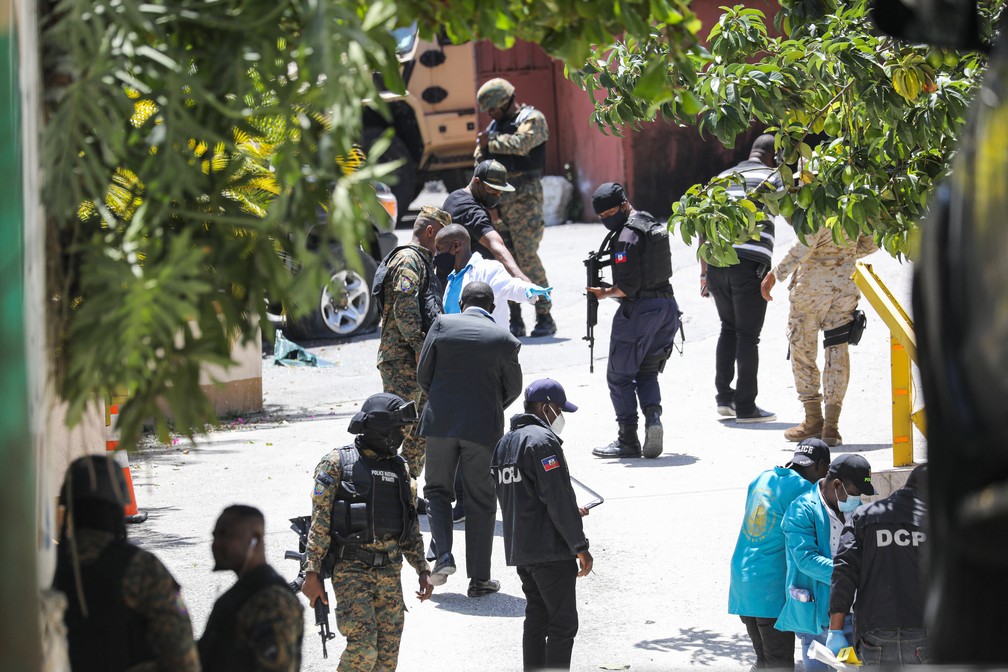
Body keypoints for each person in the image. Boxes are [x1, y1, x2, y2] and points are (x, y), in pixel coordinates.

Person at [300, 393, 435, 672]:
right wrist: (311, 571)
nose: (403, 435)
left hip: (390, 570)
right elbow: (320, 522)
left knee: (386, 659)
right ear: (382, 429)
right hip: (352, 567)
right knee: (363, 650)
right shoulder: (336, 463)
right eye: (399, 428)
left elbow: (409, 526)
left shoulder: (400, 469)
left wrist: (422, 567)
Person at [417, 281, 523, 596]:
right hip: (482, 429)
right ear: (491, 307)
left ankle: (444, 557)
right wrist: (488, 406)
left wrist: (444, 403)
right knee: (481, 500)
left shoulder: (441, 324)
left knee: (437, 491)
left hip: (440, 424)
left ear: (462, 303)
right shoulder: (505, 339)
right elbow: (513, 388)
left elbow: (424, 374)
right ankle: (479, 580)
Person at [52, 455, 200, 672]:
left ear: (70, 510)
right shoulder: (143, 568)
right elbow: (182, 657)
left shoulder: (40, 568)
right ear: (117, 510)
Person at [491, 378, 593, 671]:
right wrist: (580, 546)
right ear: (546, 407)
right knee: (562, 625)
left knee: (537, 618)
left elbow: (522, 496)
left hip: (522, 549)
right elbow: (557, 498)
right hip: (549, 550)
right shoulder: (542, 441)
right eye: (559, 409)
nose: (560, 417)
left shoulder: (503, 444)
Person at [586, 182, 681, 459]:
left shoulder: (626, 238)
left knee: (619, 375)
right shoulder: (650, 223)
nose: (606, 220)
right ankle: (653, 418)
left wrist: (603, 293)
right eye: (601, 217)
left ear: (624, 204)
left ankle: (627, 439)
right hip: (667, 307)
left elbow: (626, 288)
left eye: (610, 213)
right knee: (647, 372)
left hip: (640, 312)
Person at [761, 225, 878, 445]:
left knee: (802, 350)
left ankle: (813, 419)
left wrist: (776, 274)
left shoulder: (819, 195)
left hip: (812, 288)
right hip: (845, 285)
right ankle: (831, 427)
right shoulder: (858, 199)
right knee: (837, 350)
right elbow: (872, 242)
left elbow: (805, 243)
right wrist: (843, 252)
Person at [700, 134, 782, 423]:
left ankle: (724, 400)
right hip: (748, 265)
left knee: (728, 329)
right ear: (775, 155)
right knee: (748, 335)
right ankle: (746, 407)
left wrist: (703, 272)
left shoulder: (723, 177)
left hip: (715, 263)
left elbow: (702, 221)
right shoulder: (772, 176)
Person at [729, 439, 831, 671]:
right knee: (778, 664)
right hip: (770, 587)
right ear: (821, 466)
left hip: (743, 580)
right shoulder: (806, 491)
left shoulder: (762, 478)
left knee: (764, 662)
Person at [775, 454, 875, 672]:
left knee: (849, 668)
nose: (857, 499)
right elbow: (805, 559)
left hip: (851, 614)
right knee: (821, 667)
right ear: (837, 484)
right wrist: (849, 575)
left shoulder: (855, 512)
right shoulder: (801, 510)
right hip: (818, 617)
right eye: (855, 493)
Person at [372, 204, 451, 478]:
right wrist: (420, 347)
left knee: (422, 428)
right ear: (430, 231)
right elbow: (404, 309)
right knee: (397, 426)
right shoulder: (408, 260)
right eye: (442, 237)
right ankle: (382, 484)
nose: (443, 245)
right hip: (403, 359)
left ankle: (407, 486)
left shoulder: (421, 260)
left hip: (417, 357)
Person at [474, 77, 555, 338]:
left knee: (527, 257)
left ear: (507, 101)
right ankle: (515, 319)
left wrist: (491, 142)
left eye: (494, 109)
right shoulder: (495, 126)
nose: (491, 115)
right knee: (504, 261)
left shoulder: (533, 119)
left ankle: (544, 315)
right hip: (499, 201)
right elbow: (479, 156)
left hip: (525, 201)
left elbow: (521, 145)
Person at [827, 464, 930, 666]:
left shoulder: (862, 517)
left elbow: (844, 572)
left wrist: (835, 630)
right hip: (925, 635)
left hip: (874, 637)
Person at [199, 505, 303, 671]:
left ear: (255, 538)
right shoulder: (246, 591)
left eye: (226, 535)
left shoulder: (272, 602)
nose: (216, 545)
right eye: (215, 536)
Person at [435, 224, 552, 328]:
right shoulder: (452, 277)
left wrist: (527, 289)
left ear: (456, 246)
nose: (436, 255)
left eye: (439, 249)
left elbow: (507, 285)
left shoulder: (487, 269)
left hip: (485, 347)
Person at [440, 160, 529, 291]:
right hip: (466, 287)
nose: (498, 196)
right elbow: (496, 244)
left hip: (451, 279)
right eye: (493, 191)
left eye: (501, 192)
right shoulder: (471, 211)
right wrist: (518, 275)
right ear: (477, 182)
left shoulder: (454, 197)